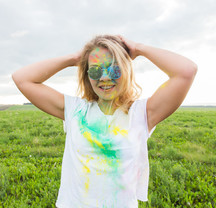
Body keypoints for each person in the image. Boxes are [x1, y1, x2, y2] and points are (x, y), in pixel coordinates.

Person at [12, 35, 197, 208]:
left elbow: (186, 71)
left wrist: (139, 49)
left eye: (114, 68)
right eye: (95, 69)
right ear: (86, 74)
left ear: (125, 70)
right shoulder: (75, 109)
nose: (105, 77)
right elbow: (22, 79)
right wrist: (74, 58)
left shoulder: (142, 113)